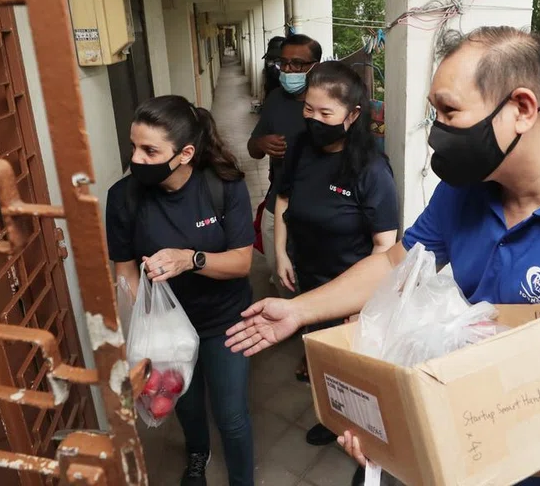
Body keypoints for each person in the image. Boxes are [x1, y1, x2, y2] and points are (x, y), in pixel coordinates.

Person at [227, 27, 540, 486]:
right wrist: (298, 311)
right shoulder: (468, 190)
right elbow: (395, 263)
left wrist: (449, 458)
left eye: (449, 111)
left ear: (521, 109)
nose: (435, 132)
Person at [106, 95, 255, 486]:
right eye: (134, 147)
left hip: (225, 321)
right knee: (183, 401)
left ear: (185, 153)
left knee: (231, 414)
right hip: (170, 327)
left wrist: (191, 259)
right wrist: (146, 322)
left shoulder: (224, 186)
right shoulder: (123, 197)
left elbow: (241, 261)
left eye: (150, 151)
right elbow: (124, 267)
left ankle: (243, 480)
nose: (136, 159)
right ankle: (197, 456)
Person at [274, 62, 399, 445]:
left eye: (326, 113)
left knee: (356, 371)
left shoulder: (371, 170)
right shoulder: (299, 148)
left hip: (351, 292)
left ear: (353, 115)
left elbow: (386, 247)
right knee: (323, 361)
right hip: (309, 278)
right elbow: (283, 199)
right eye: (309, 109)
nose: (314, 120)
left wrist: (359, 304)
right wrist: (281, 252)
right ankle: (333, 421)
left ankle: (366, 442)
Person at [247, 34, 322, 297]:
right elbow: (252, 149)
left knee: (315, 276)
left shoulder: (329, 103)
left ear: (316, 65)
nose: (289, 70)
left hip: (319, 206)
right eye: (284, 63)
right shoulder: (276, 100)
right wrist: (261, 143)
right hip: (278, 199)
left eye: (298, 64)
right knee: (278, 268)